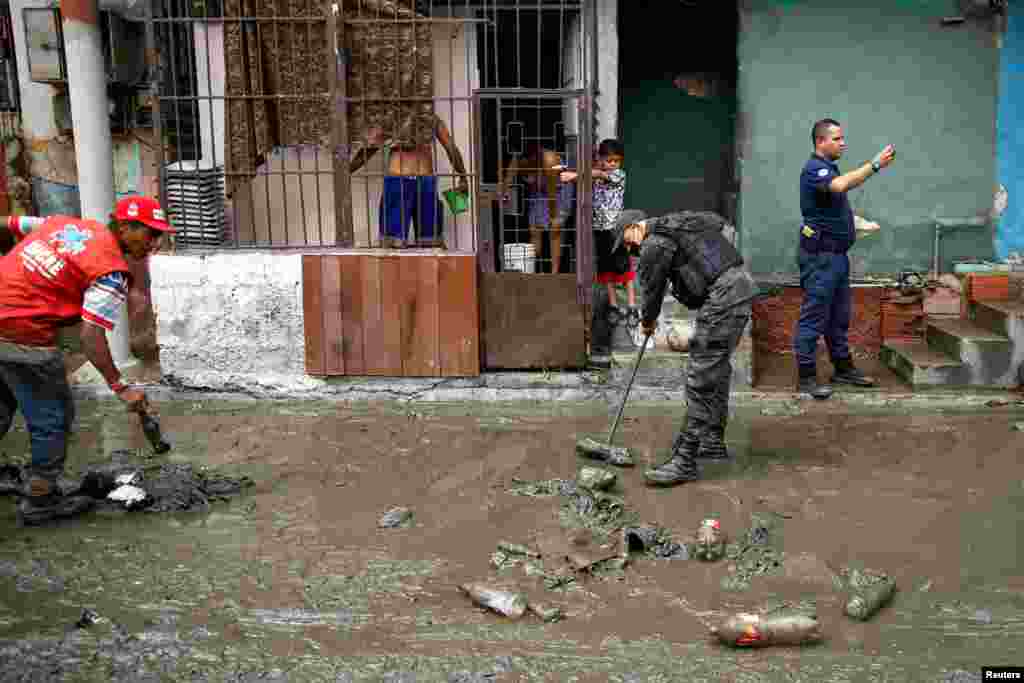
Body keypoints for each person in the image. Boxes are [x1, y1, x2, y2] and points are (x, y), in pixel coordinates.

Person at [0, 196, 173, 525]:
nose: (154, 242)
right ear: (125, 228)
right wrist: (121, 387)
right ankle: (41, 499)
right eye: (150, 234)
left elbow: (11, 224)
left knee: (2, 402)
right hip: (21, 331)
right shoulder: (110, 273)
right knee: (53, 414)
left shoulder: (67, 225)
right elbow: (91, 338)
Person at [611, 210, 756, 485]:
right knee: (717, 368)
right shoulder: (679, 222)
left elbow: (652, 290)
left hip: (724, 298)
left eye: (627, 241)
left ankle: (685, 459)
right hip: (739, 289)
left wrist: (648, 322)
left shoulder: (654, 243)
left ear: (634, 226)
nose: (630, 250)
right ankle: (712, 440)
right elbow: (718, 223)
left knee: (701, 374)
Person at [795, 119, 896, 399]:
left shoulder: (828, 168)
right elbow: (840, 187)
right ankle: (806, 378)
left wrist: (855, 224)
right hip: (820, 259)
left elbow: (830, 211)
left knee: (838, 318)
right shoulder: (815, 169)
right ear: (821, 142)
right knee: (813, 318)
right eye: (837, 138)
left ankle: (842, 369)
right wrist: (874, 165)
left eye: (842, 138)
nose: (843, 143)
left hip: (836, 258)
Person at [349, 114, 470, 249]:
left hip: (400, 181)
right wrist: (462, 176)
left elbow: (367, 150)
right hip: (421, 181)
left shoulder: (390, 119)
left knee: (394, 244)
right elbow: (450, 147)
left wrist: (346, 172)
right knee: (430, 242)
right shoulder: (430, 119)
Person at [559, 139, 639, 341]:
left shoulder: (619, 175)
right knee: (605, 269)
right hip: (599, 229)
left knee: (624, 268)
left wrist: (574, 175)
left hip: (616, 229)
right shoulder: (594, 173)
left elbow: (598, 174)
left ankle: (631, 306)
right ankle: (613, 305)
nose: (613, 164)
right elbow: (592, 173)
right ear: (600, 159)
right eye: (609, 160)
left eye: (616, 161)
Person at [499, 144, 575, 274]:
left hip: (558, 190)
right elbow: (508, 180)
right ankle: (532, 269)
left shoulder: (549, 160)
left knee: (555, 229)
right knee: (534, 228)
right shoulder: (518, 158)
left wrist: (553, 216)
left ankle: (554, 272)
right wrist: (505, 193)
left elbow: (552, 193)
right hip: (539, 191)